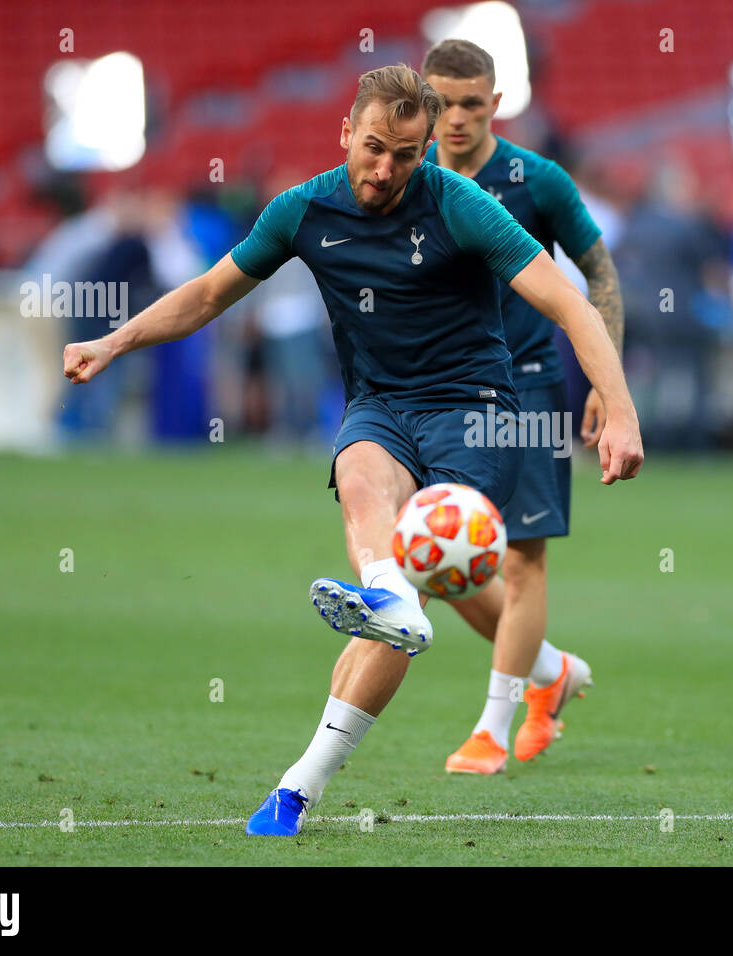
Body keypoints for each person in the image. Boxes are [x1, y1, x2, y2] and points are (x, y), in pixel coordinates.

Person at [62, 64, 643, 837]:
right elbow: (207, 293)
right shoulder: (303, 210)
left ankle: (301, 782)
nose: (385, 169)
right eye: (373, 148)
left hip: (474, 414)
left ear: (426, 147)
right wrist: (114, 340)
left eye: (406, 154)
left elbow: (570, 299)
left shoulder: (460, 204)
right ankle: (392, 596)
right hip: (380, 406)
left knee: (421, 588)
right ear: (345, 133)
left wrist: (623, 411)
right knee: (364, 485)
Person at [420, 38, 625, 774]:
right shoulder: (405, 177)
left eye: (472, 104)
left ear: (496, 103)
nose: (456, 119)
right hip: (438, 390)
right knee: (434, 560)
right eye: (441, 104)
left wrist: (604, 379)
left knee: (522, 559)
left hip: (530, 384)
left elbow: (598, 272)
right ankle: (551, 671)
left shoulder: (537, 181)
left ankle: (492, 729)